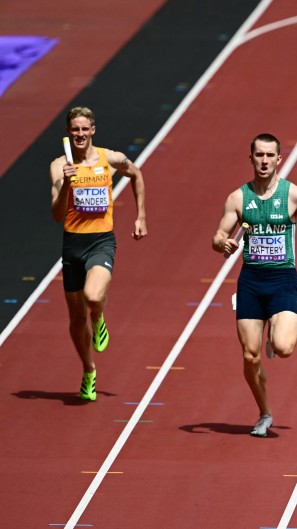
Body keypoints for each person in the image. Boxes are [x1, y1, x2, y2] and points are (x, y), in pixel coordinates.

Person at [212, 133, 297, 437]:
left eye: (269, 155)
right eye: (258, 155)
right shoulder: (238, 198)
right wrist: (222, 243)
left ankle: (277, 332)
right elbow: (219, 235)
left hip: (282, 279)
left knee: (284, 348)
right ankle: (264, 412)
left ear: (279, 159)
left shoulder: (294, 195)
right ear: (251, 158)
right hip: (251, 281)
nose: (264, 161)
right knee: (250, 356)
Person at [49, 107, 148, 402]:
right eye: (74, 129)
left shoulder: (110, 158)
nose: (80, 134)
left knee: (93, 297)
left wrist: (141, 216)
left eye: (84, 129)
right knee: (76, 319)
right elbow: (56, 214)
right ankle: (88, 370)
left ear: (93, 130)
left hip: (101, 241)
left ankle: (100, 316)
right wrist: (67, 182)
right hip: (72, 246)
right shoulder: (58, 166)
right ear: (69, 133)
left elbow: (136, 174)